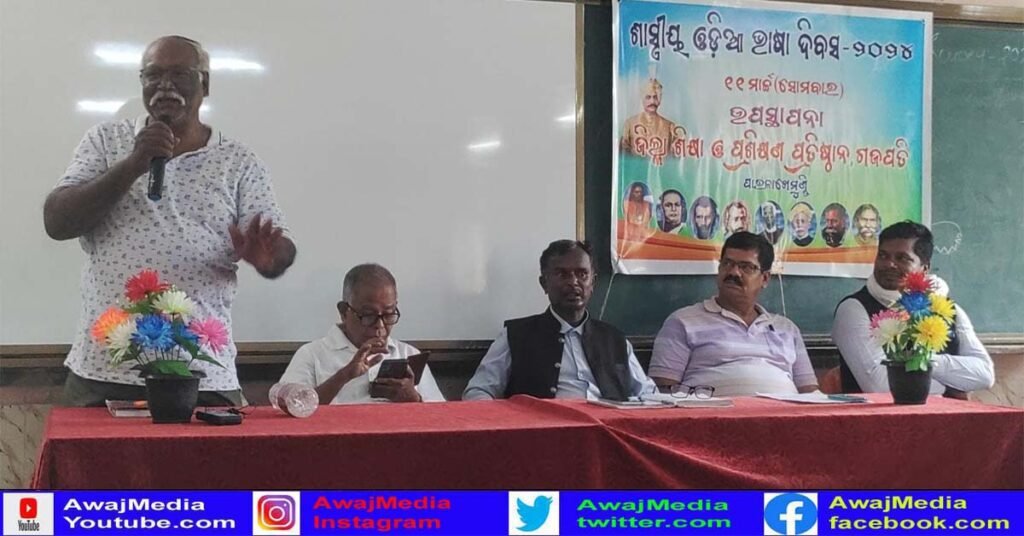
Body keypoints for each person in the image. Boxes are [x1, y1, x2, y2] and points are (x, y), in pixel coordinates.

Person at [45, 36, 296, 407]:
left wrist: (270, 258)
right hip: (104, 369)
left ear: (204, 84)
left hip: (202, 371)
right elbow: (57, 222)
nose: (164, 85)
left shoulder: (238, 161)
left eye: (179, 74)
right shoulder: (105, 141)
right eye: (153, 75)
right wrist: (134, 164)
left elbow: (279, 248)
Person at [463, 240, 657, 401]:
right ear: (544, 283)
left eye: (582, 274)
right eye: (561, 274)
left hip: (606, 431)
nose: (573, 282)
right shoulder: (517, 335)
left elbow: (648, 394)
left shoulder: (614, 339)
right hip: (544, 431)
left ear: (593, 283)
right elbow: (478, 391)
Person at [831, 221, 993, 395]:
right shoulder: (853, 309)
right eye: (883, 256)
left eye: (902, 258)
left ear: (924, 268)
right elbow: (879, 385)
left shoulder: (947, 309)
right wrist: (953, 385)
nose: (889, 264)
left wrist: (925, 361)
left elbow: (985, 374)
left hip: (947, 412)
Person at [649, 232, 819, 396]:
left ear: (765, 278)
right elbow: (663, 392)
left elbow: (810, 392)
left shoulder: (787, 329)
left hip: (783, 414)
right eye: (727, 263)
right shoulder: (682, 322)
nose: (733, 272)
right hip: (712, 414)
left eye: (746, 267)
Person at [279, 264, 444, 404]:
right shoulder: (312, 354)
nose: (380, 326)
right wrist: (344, 376)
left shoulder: (408, 354)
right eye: (368, 316)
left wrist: (413, 398)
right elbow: (288, 407)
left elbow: (441, 416)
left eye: (388, 314)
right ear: (344, 311)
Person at [620, 78, 678, 159]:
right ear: (642, 98)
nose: (652, 102)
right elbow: (623, 156)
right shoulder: (630, 124)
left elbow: (674, 159)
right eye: (648, 97)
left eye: (655, 97)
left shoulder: (670, 127)